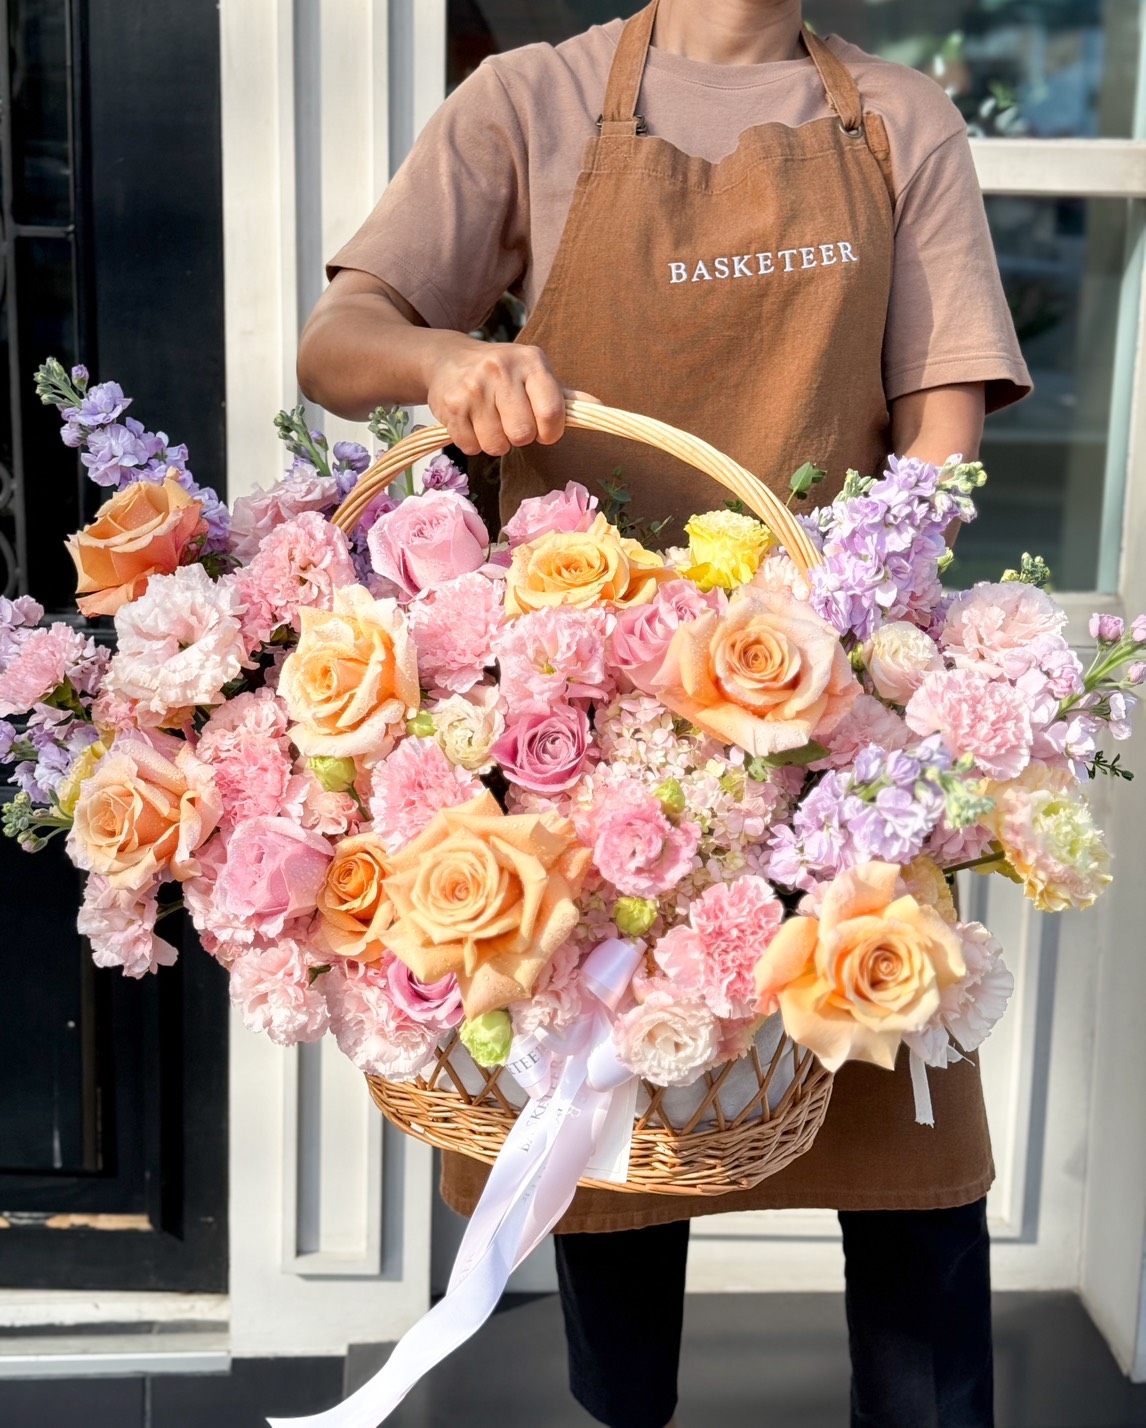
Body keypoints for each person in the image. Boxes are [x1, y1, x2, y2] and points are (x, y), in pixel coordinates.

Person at [298, 3, 1031, 1424]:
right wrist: (442, 361)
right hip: (589, 754)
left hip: (828, 740)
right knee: (618, 1180)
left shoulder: (897, 119)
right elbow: (340, 342)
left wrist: (854, 656)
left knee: (909, 1171)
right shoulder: (532, 100)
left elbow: (938, 443)